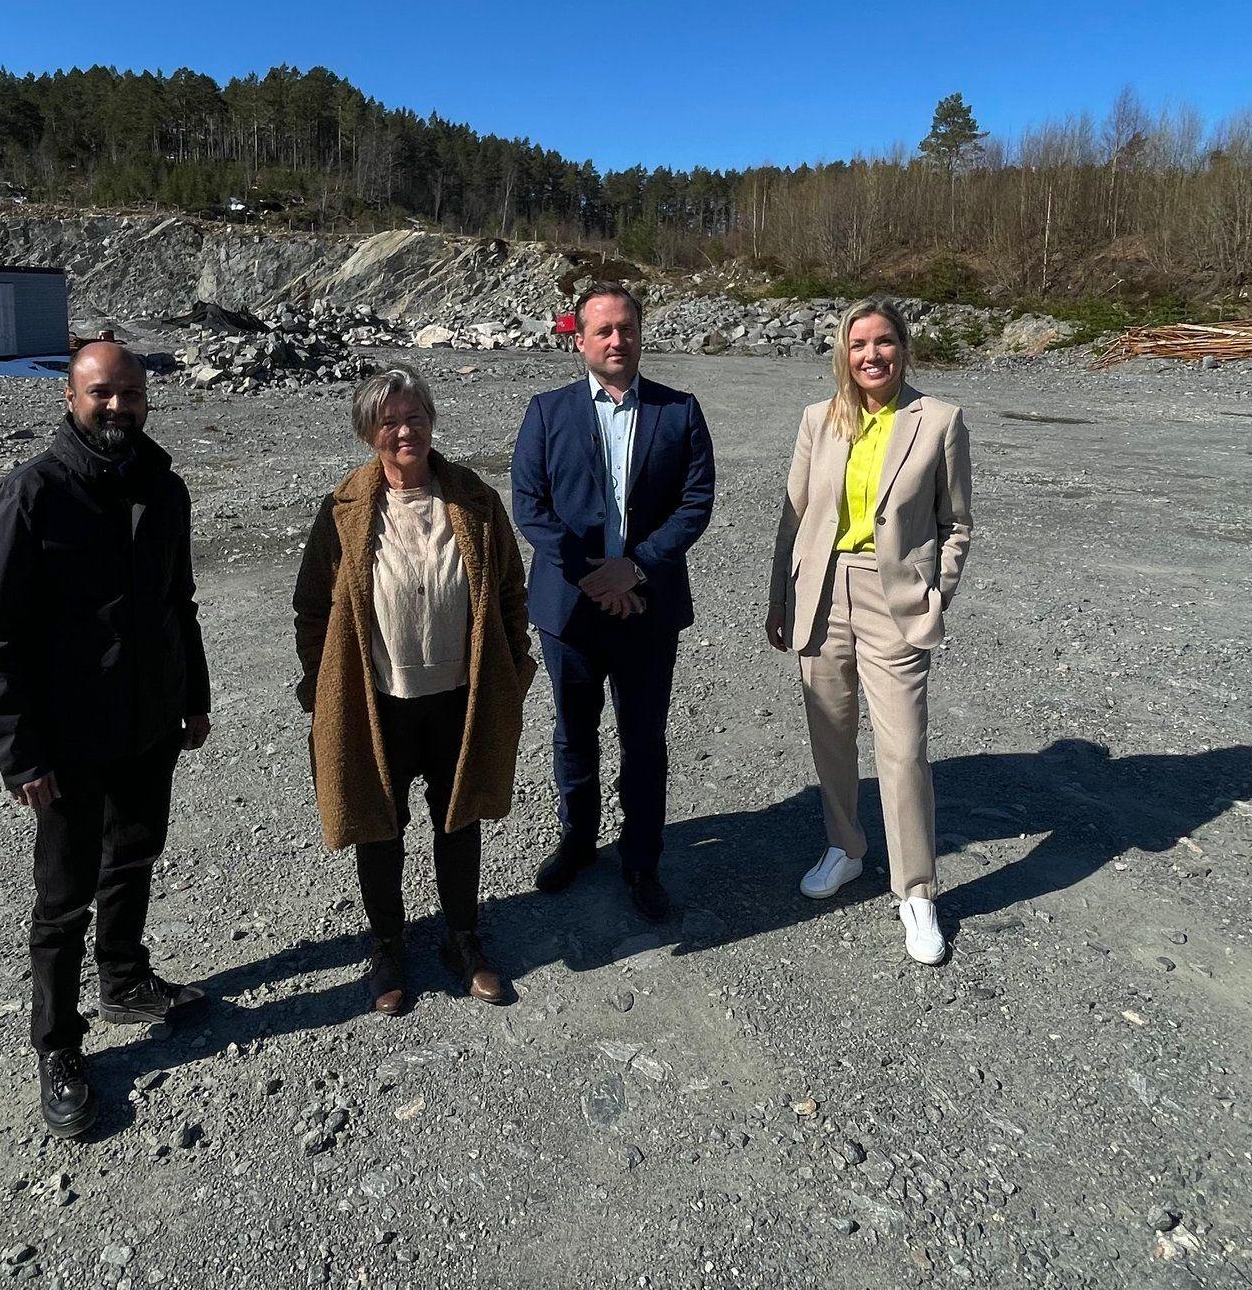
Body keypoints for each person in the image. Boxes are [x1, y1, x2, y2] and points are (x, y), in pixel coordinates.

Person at [0, 339, 213, 1137]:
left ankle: (127, 978)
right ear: (71, 398)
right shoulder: (29, 497)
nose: (118, 407)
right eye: (101, 394)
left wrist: (195, 698)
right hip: (66, 744)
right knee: (62, 897)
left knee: (134, 853)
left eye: (130, 393)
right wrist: (21, 755)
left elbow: (180, 603)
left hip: (149, 726)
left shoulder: (163, 489)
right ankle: (58, 1044)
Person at [292, 367, 534, 1014]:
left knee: (460, 817)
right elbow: (312, 607)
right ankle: (388, 948)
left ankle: (462, 939)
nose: (405, 430)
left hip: (460, 695)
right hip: (376, 701)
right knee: (378, 825)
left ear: (431, 420)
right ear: (370, 431)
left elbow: (510, 592)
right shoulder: (344, 508)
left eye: (415, 416)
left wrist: (518, 671)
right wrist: (324, 688)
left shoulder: (474, 499)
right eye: (390, 420)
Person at [764, 299, 972, 966]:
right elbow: (792, 518)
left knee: (903, 748)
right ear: (843, 352)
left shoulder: (938, 420)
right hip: (821, 593)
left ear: (903, 348)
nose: (871, 355)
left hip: (895, 600)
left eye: (883, 342)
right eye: (859, 344)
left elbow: (957, 522)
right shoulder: (817, 420)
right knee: (830, 732)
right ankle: (844, 847)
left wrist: (938, 591)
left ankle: (915, 889)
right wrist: (779, 598)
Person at [510, 283, 715, 922]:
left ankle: (641, 859)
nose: (617, 341)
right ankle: (577, 839)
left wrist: (636, 569)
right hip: (569, 610)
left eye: (626, 328)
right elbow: (530, 506)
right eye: (603, 331)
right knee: (574, 731)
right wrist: (591, 576)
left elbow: (695, 501)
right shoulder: (547, 413)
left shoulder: (679, 412)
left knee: (644, 736)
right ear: (580, 340)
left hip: (648, 605)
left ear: (639, 331)